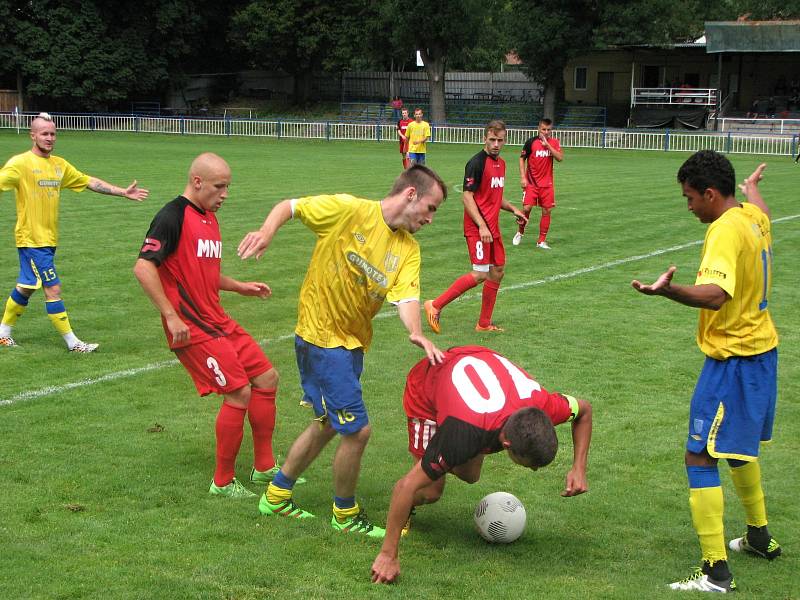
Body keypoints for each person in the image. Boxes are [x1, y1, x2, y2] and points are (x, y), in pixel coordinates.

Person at [237, 164, 447, 537]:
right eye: (431, 208)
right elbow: (290, 206)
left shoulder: (408, 249)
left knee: (327, 424)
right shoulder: (350, 210)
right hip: (321, 337)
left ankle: (276, 495)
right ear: (411, 194)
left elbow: (407, 296)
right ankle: (345, 514)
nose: (431, 219)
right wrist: (267, 231)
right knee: (358, 430)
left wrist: (416, 331)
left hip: (351, 344)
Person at [632, 151, 781, 593]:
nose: (690, 206)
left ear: (711, 194)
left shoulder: (723, 229)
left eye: (691, 198)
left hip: (731, 359)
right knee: (739, 449)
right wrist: (753, 190)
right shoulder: (753, 216)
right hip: (762, 352)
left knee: (699, 455)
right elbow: (764, 211)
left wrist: (667, 291)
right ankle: (758, 537)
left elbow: (715, 295)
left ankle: (715, 572)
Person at [370, 344, 593, 584]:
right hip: (427, 385)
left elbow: (585, 411)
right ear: (507, 443)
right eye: (529, 465)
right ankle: (406, 509)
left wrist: (579, 468)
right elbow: (405, 487)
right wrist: (388, 554)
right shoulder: (462, 433)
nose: (534, 469)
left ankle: (440, 458)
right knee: (430, 490)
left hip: (475, 370)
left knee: (470, 475)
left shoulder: (544, 404)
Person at [134, 153, 285, 499]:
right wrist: (171, 316)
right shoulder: (172, 216)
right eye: (220, 187)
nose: (225, 194)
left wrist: (240, 286)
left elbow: (203, 273)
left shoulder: (209, 218)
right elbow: (144, 268)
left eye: (227, 187)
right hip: (191, 326)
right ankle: (222, 482)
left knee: (267, 378)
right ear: (197, 182)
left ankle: (263, 468)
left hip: (217, 320)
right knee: (239, 391)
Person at [0, 112, 149, 351]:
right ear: (33, 135)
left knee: (26, 287)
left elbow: (88, 181)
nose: (50, 138)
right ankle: (73, 343)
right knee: (53, 288)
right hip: (32, 240)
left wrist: (122, 192)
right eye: (44, 134)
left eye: (53, 134)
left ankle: (3, 333)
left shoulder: (58, 165)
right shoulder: (20, 164)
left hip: (48, 239)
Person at [424, 120, 526, 334]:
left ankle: (484, 323)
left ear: (505, 140)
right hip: (478, 228)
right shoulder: (476, 163)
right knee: (480, 274)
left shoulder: (502, 164)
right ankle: (435, 305)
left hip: (492, 228)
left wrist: (514, 209)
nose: (496, 144)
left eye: (500, 140)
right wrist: (481, 226)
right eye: (492, 140)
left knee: (497, 271)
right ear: (484, 139)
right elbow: (467, 197)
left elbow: (494, 196)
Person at [512, 118, 563, 250]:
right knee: (527, 208)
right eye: (543, 129)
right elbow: (522, 159)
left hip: (547, 184)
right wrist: (523, 177)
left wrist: (548, 146)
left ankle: (541, 241)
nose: (546, 132)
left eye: (548, 130)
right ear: (538, 129)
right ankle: (520, 232)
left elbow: (560, 158)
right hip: (531, 183)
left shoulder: (554, 142)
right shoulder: (531, 142)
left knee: (547, 211)